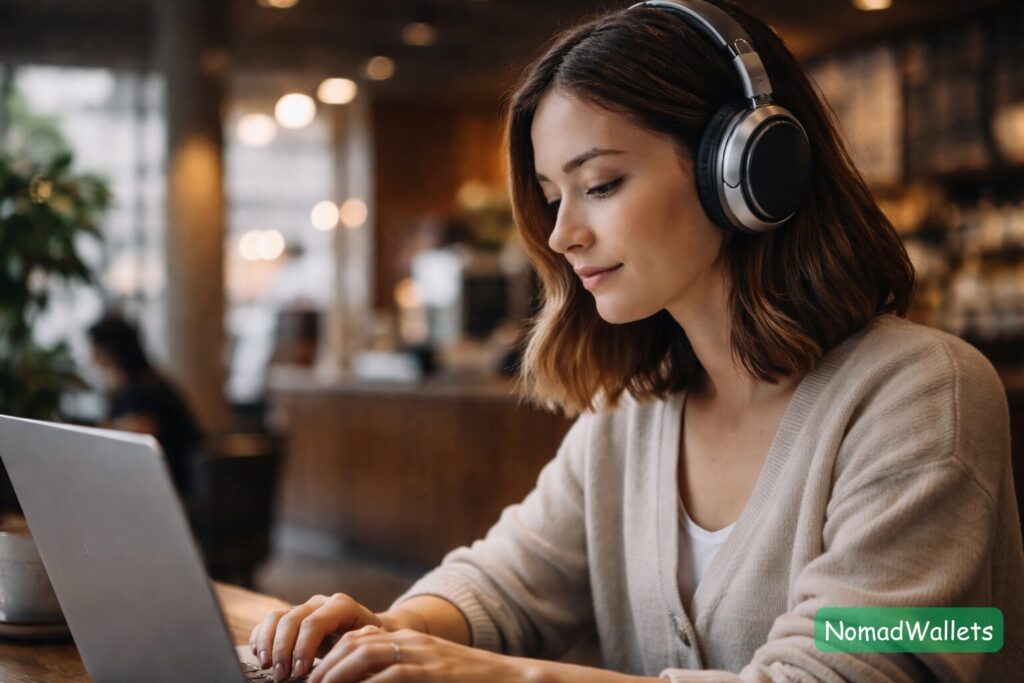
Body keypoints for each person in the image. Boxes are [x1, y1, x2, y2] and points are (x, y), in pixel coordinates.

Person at [250, 1, 1024, 681]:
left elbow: (863, 668)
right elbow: (508, 581)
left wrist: (507, 676)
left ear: (748, 170)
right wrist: (395, 631)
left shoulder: (928, 394)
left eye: (602, 184)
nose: (561, 233)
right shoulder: (633, 413)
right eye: (554, 197)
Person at [87, 313, 204, 500]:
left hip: (171, 487)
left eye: (94, 348)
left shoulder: (146, 389)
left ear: (109, 351)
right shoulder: (130, 386)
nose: (90, 357)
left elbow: (136, 436)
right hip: (153, 480)